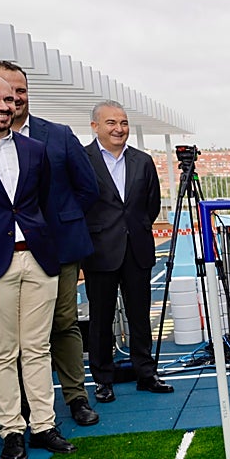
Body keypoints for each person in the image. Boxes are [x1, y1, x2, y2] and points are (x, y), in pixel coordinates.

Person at [0, 60, 101, 428]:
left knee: (63, 323)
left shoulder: (58, 135)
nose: (13, 99)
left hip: (58, 249)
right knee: (7, 339)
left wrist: (55, 225)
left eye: (19, 91)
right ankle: (18, 408)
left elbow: (88, 188)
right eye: (3, 92)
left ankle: (75, 397)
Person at [0, 73, 76, 459]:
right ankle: (11, 430)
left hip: (38, 259)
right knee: (1, 352)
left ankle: (43, 426)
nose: (4, 106)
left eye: (9, 99)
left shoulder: (34, 150)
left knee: (38, 348)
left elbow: (42, 202)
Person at [83, 100, 173, 402]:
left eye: (123, 123)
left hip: (137, 248)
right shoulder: (82, 160)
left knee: (140, 316)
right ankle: (103, 379)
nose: (119, 128)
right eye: (111, 122)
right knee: (100, 320)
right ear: (95, 126)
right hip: (100, 251)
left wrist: (136, 228)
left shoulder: (143, 161)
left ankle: (146, 374)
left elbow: (151, 204)